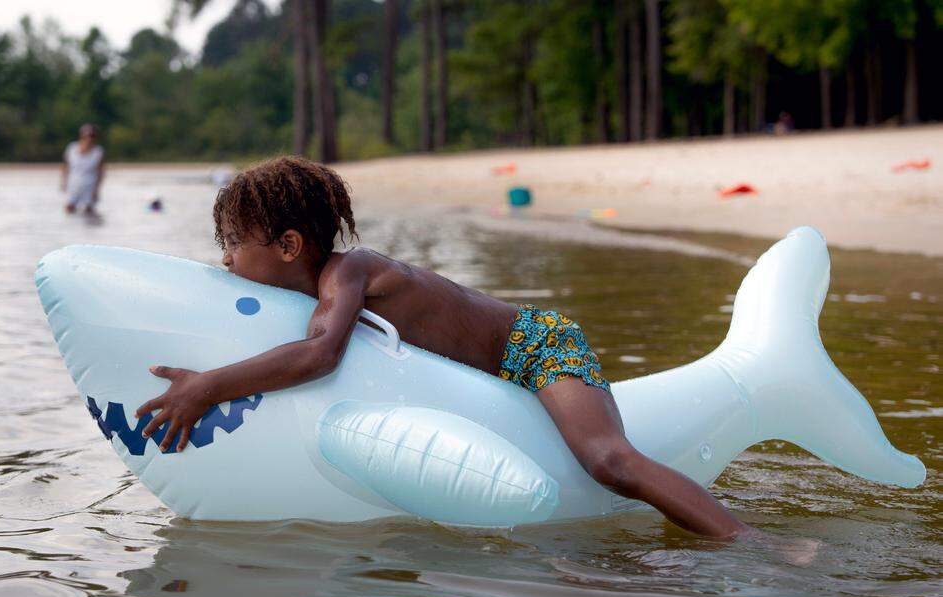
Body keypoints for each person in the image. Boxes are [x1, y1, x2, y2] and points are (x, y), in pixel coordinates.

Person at [134, 156, 819, 563]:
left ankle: (758, 546)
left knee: (607, 460)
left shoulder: (349, 272)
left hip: (538, 345)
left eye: (233, 243)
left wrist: (208, 387)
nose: (224, 259)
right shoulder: (316, 290)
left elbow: (318, 354)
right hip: (499, 374)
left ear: (287, 244)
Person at [61, 124, 105, 214]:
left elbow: (100, 172)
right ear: (81, 135)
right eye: (87, 135)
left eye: (92, 136)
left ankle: (90, 227)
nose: (89, 138)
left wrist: (97, 190)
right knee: (69, 208)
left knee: (88, 210)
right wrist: (64, 182)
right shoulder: (71, 148)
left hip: (90, 184)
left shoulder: (98, 152)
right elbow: (66, 167)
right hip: (73, 183)